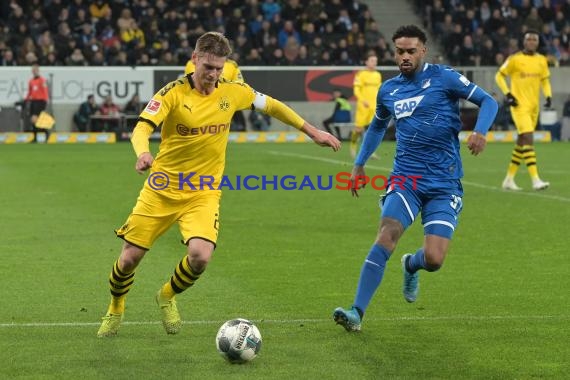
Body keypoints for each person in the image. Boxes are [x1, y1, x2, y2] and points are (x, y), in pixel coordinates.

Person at [97, 31, 341, 338]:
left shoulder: (232, 91)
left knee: (200, 257)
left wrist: (312, 131)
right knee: (129, 258)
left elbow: (273, 106)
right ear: (195, 59)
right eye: (208, 66)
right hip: (161, 188)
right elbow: (141, 128)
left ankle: (166, 296)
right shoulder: (172, 93)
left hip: (203, 192)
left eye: (219, 68)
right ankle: (116, 307)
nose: (213, 74)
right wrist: (143, 152)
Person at [333, 25, 498, 332]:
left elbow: (489, 101)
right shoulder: (389, 90)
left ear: (424, 51)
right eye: (399, 51)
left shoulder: (445, 77)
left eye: (411, 51)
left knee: (434, 259)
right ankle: (356, 312)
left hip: (444, 183)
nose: (404, 57)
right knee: (387, 234)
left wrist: (480, 131)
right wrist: (358, 165)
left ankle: (411, 264)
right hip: (406, 179)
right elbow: (377, 128)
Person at [495, 30, 552, 191]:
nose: (532, 42)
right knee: (528, 138)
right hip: (519, 106)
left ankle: (509, 179)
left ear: (538, 42)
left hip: (534, 106)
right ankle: (535, 179)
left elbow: (545, 80)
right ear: (524, 42)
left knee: (522, 142)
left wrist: (548, 96)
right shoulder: (514, 59)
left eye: (535, 39)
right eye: (529, 39)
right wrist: (508, 94)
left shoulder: (542, 60)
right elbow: (499, 76)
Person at [185, 56, 246, 131]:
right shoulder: (194, 62)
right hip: (202, 99)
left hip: (224, 98)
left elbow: (239, 84)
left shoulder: (232, 65)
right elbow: (193, 82)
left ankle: (240, 128)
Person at [350, 52, 382, 158]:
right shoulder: (361, 74)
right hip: (363, 106)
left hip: (374, 106)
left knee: (371, 130)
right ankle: (353, 146)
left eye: (375, 61)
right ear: (366, 62)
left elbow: (379, 90)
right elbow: (356, 90)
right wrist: (362, 100)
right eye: (372, 61)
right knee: (358, 129)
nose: (374, 63)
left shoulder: (378, 75)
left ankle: (370, 151)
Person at [25, 63, 50, 142]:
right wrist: (26, 99)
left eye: (35, 70)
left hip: (40, 101)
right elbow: (30, 92)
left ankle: (45, 133)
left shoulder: (42, 80)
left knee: (35, 118)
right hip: (33, 101)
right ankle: (37, 136)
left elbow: (45, 90)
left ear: (38, 70)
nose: (34, 71)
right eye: (33, 70)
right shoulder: (31, 81)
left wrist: (45, 100)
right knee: (34, 120)